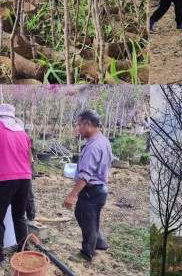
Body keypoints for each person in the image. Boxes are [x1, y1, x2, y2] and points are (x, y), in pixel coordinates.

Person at [0, 104, 33, 265]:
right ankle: (23, 249)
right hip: (24, 179)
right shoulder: (23, 133)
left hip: (3, 180)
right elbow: (29, 159)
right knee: (19, 215)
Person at [63, 110, 113, 263]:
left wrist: (72, 195)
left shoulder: (93, 147)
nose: (78, 128)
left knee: (86, 219)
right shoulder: (102, 141)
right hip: (100, 190)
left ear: (88, 124)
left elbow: (85, 175)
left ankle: (86, 253)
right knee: (91, 218)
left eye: (79, 124)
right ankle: (99, 242)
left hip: (92, 190)